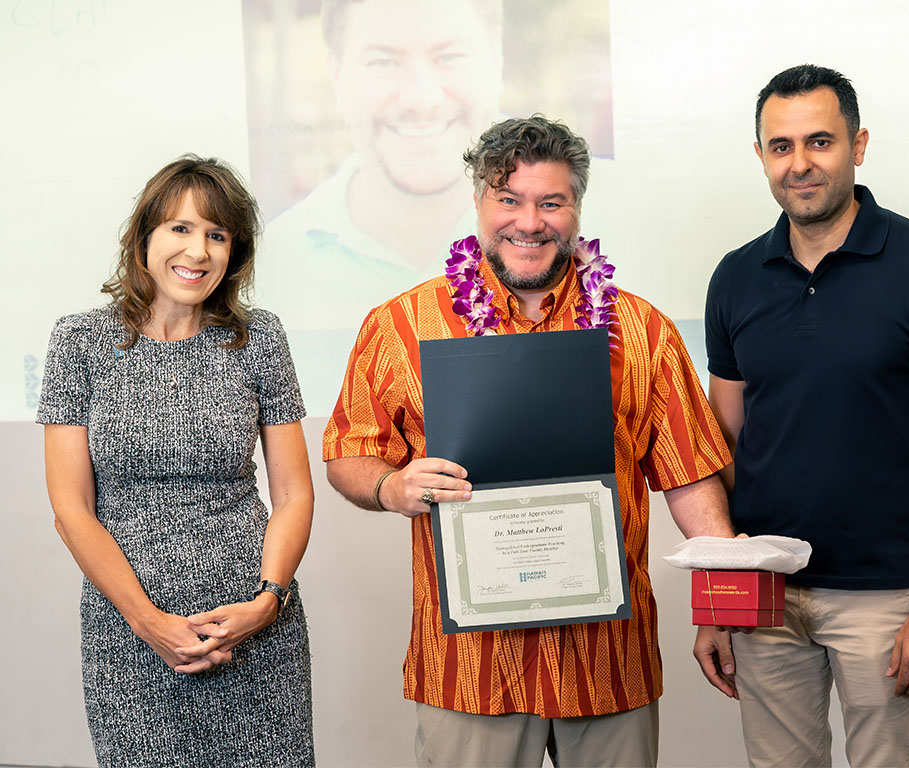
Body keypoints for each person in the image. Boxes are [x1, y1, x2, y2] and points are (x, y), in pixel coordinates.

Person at [324, 115, 736, 767]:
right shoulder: (401, 325)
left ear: (577, 207)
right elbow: (348, 449)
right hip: (470, 670)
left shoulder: (644, 330)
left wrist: (721, 606)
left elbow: (691, 478)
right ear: (478, 202)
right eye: (508, 199)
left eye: (551, 201)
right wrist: (390, 485)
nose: (529, 221)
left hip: (607, 663)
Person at [696, 64, 909, 767]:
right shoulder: (734, 277)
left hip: (886, 598)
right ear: (762, 156)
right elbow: (721, 448)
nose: (800, 164)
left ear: (858, 146)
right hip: (766, 594)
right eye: (781, 146)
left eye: (820, 141)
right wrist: (718, 599)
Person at [36, 155, 316, 767]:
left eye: (218, 235)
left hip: (253, 631)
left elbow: (294, 494)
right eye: (181, 229)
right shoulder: (79, 341)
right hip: (131, 635)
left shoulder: (259, 336)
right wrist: (149, 623)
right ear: (144, 239)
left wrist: (268, 601)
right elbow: (70, 508)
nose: (199, 250)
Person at [257, 0, 504, 332]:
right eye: (384, 62)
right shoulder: (269, 268)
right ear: (337, 74)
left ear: (496, 56)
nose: (421, 99)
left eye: (449, 57)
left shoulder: (596, 211)